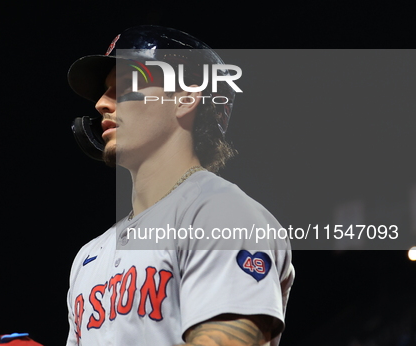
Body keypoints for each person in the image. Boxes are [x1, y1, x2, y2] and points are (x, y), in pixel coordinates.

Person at [65, 25, 295, 346]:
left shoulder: (221, 215)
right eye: (106, 91)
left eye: (126, 86)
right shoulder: (89, 256)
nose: (102, 103)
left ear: (186, 99)